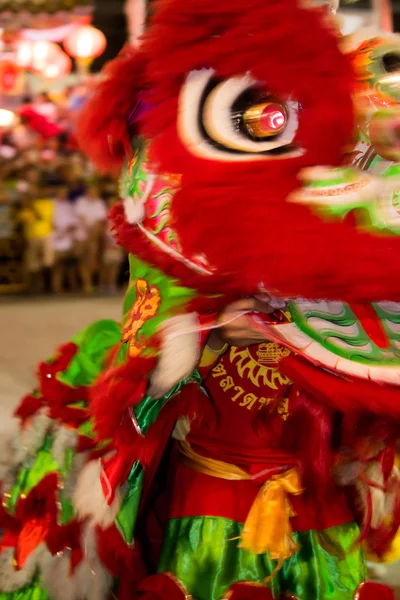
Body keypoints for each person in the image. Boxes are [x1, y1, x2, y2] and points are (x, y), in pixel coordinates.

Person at [19, 176, 54, 293]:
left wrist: (30, 204)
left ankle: (47, 287)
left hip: (45, 235)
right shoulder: (27, 206)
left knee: (47, 263)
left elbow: (40, 217)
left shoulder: (47, 202)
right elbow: (23, 219)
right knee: (33, 265)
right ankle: (34, 288)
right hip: (31, 236)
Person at [75, 184, 107, 292]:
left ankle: (95, 283)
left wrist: (93, 235)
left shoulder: (99, 203)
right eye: (90, 191)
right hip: (82, 236)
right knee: (83, 260)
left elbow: (100, 220)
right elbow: (81, 218)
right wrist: (89, 234)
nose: (92, 194)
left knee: (93, 260)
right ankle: (86, 284)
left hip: (95, 235)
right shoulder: (81, 202)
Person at [51, 184, 79, 294]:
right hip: (55, 237)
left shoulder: (69, 205)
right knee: (56, 264)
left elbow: (73, 222)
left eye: (65, 192)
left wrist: (68, 231)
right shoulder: (52, 204)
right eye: (61, 192)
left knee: (68, 264)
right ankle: (55, 287)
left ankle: (67, 286)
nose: (63, 194)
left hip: (68, 238)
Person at [99, 193, 124, 294]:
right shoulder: (105, 215)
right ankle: (103, 284)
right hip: (108, 241)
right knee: (106, 265)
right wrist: (105, 242)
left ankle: (112, 284)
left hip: (116, 241)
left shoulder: (120, 215)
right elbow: (102, 230)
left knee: (115, 265)